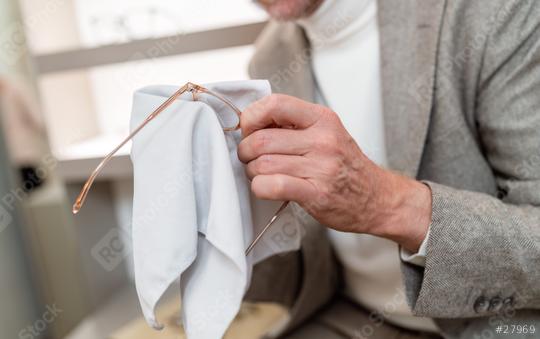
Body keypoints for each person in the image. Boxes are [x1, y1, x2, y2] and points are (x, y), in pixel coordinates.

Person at [239, 0, 540, 338]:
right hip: (347, 312)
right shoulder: (268, 59)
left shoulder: (492, 11)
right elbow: (296, 262)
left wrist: (385, 203)